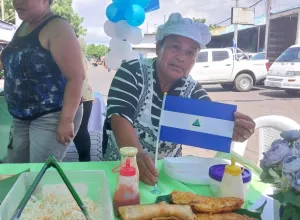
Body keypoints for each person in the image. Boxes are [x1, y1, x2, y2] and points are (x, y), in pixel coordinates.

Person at [102, 13, 256, 185]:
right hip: (122, 170)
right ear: (159, 46)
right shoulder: (132, 72)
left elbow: (211, 119)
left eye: (191, 52)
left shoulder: (191, 88)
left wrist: (233, 129)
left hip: (167, 175)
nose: (181, 58)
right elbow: (120, 119)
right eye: (175, 47)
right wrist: (136, 156)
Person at [1, 0, 85, 163]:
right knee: (15, 169)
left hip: (52, 114)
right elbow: (12, 59)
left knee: (40, 175)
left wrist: (66, 121)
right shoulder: (24, 26)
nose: (17, 2)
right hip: (21, 116)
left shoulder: (57, 27)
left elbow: (76, 77)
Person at [73, 59, 94, 162]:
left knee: (80, 132)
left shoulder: (67, 48)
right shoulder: (79, 51)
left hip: (79, 96)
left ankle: (85, 163)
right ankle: (86, 162)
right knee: (81, 132)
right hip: (84, 95)